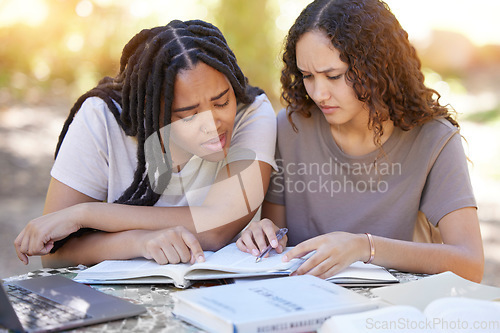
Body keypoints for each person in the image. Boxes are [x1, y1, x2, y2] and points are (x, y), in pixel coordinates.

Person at [236, 0, 484, 282]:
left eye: (333, 76)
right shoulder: (289, 128)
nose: (319, 93)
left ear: (377, 66)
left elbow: (470, 263)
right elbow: (279, 246)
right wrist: (262, 233)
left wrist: (364, 247)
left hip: (396, 312)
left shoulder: (434, 139)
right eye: (307, 76)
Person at [14, 19, 277, 268]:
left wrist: (85, 214)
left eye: (221, 102)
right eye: (189, 115)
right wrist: (137, 242)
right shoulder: (101, 118)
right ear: (153, 112)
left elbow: (217, 228)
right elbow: (53, 256)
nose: (212, 124)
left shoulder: (251, 113)